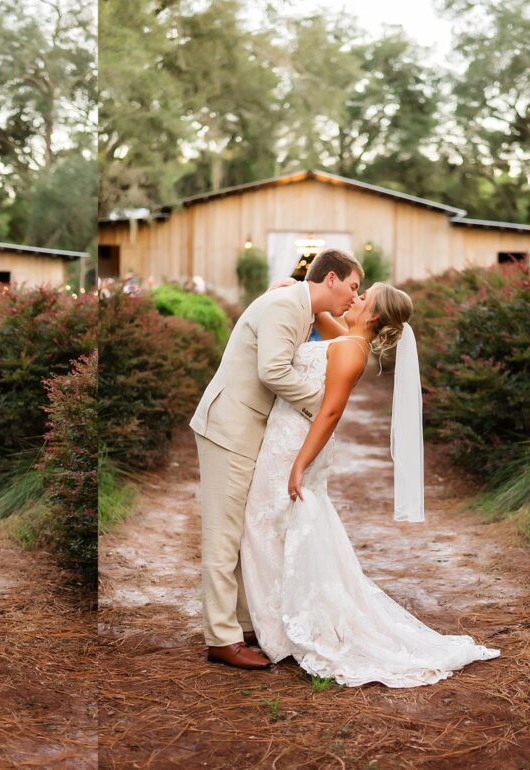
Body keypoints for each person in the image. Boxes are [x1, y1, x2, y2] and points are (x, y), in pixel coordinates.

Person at [239, 281, 499, 686]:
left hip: (298, 443)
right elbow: (323, 319)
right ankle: (277, 620)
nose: (355, 299)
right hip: (289, 436)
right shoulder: (348, 341)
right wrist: (296, 292)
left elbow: (330, 413)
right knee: (272, 525)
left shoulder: (348, 349)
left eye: (364, 297)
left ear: (374, 315)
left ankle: (281, 626)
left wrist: (299, 465)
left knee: (266, 524)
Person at [190, 249, 363, 670]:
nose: (354, 297)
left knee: (247, 530)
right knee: (224, 535)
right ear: (333, 278)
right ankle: (221, 638)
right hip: (228, 428)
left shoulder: (299, 307)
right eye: (354, 287)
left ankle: (245, 624)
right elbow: (272, 371)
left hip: (250, 429)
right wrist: (320, 407)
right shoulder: (287, 305)